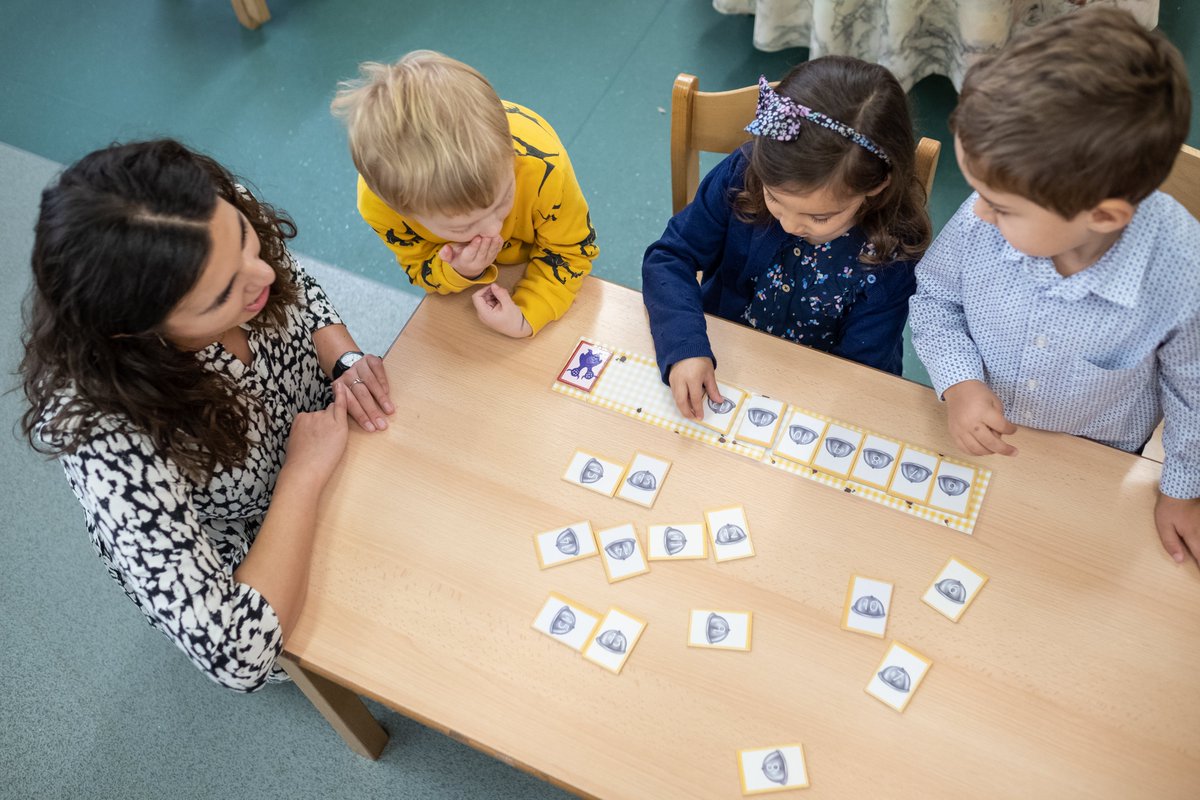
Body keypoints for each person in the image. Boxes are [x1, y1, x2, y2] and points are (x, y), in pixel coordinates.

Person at [20, 139, 395, 691]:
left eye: (248, 239)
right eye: (224, 294)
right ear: (137, 331)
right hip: (267, 548)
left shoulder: (212, 220)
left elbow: (297, 289)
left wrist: (344, 357)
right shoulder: (102, 434)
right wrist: (303, 474)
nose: (261, 275)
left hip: (332, 443)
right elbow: (236, 653)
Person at [908, 7, 1199, 565]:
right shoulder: (988, 209)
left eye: (1001, 207)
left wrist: (1183, 491)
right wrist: (960, 384)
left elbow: (1196, 396)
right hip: (973, 433)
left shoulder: (1183, 277)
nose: (978, 215)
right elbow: (937, 300)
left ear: (1104, 216)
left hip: (1094, 457)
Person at [641, 56, 931, 420]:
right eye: (775, 198)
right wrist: (684, 345)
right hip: (723, 353)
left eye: (819, 216)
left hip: (823, 391)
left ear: (875, 185)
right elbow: (669, 257)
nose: (791, 225)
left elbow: (863, 374)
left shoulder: (892, 251)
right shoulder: (743, 173)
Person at [331, 50, 599, 339]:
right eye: (462, 227)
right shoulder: (380, 205)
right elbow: (419, 266)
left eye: (504, 200)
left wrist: (528, 313)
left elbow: (571, 250)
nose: (494, 230)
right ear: (403, 210)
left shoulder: (542, 162)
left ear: (510, 154)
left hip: (544, 258)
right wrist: (458, 270)